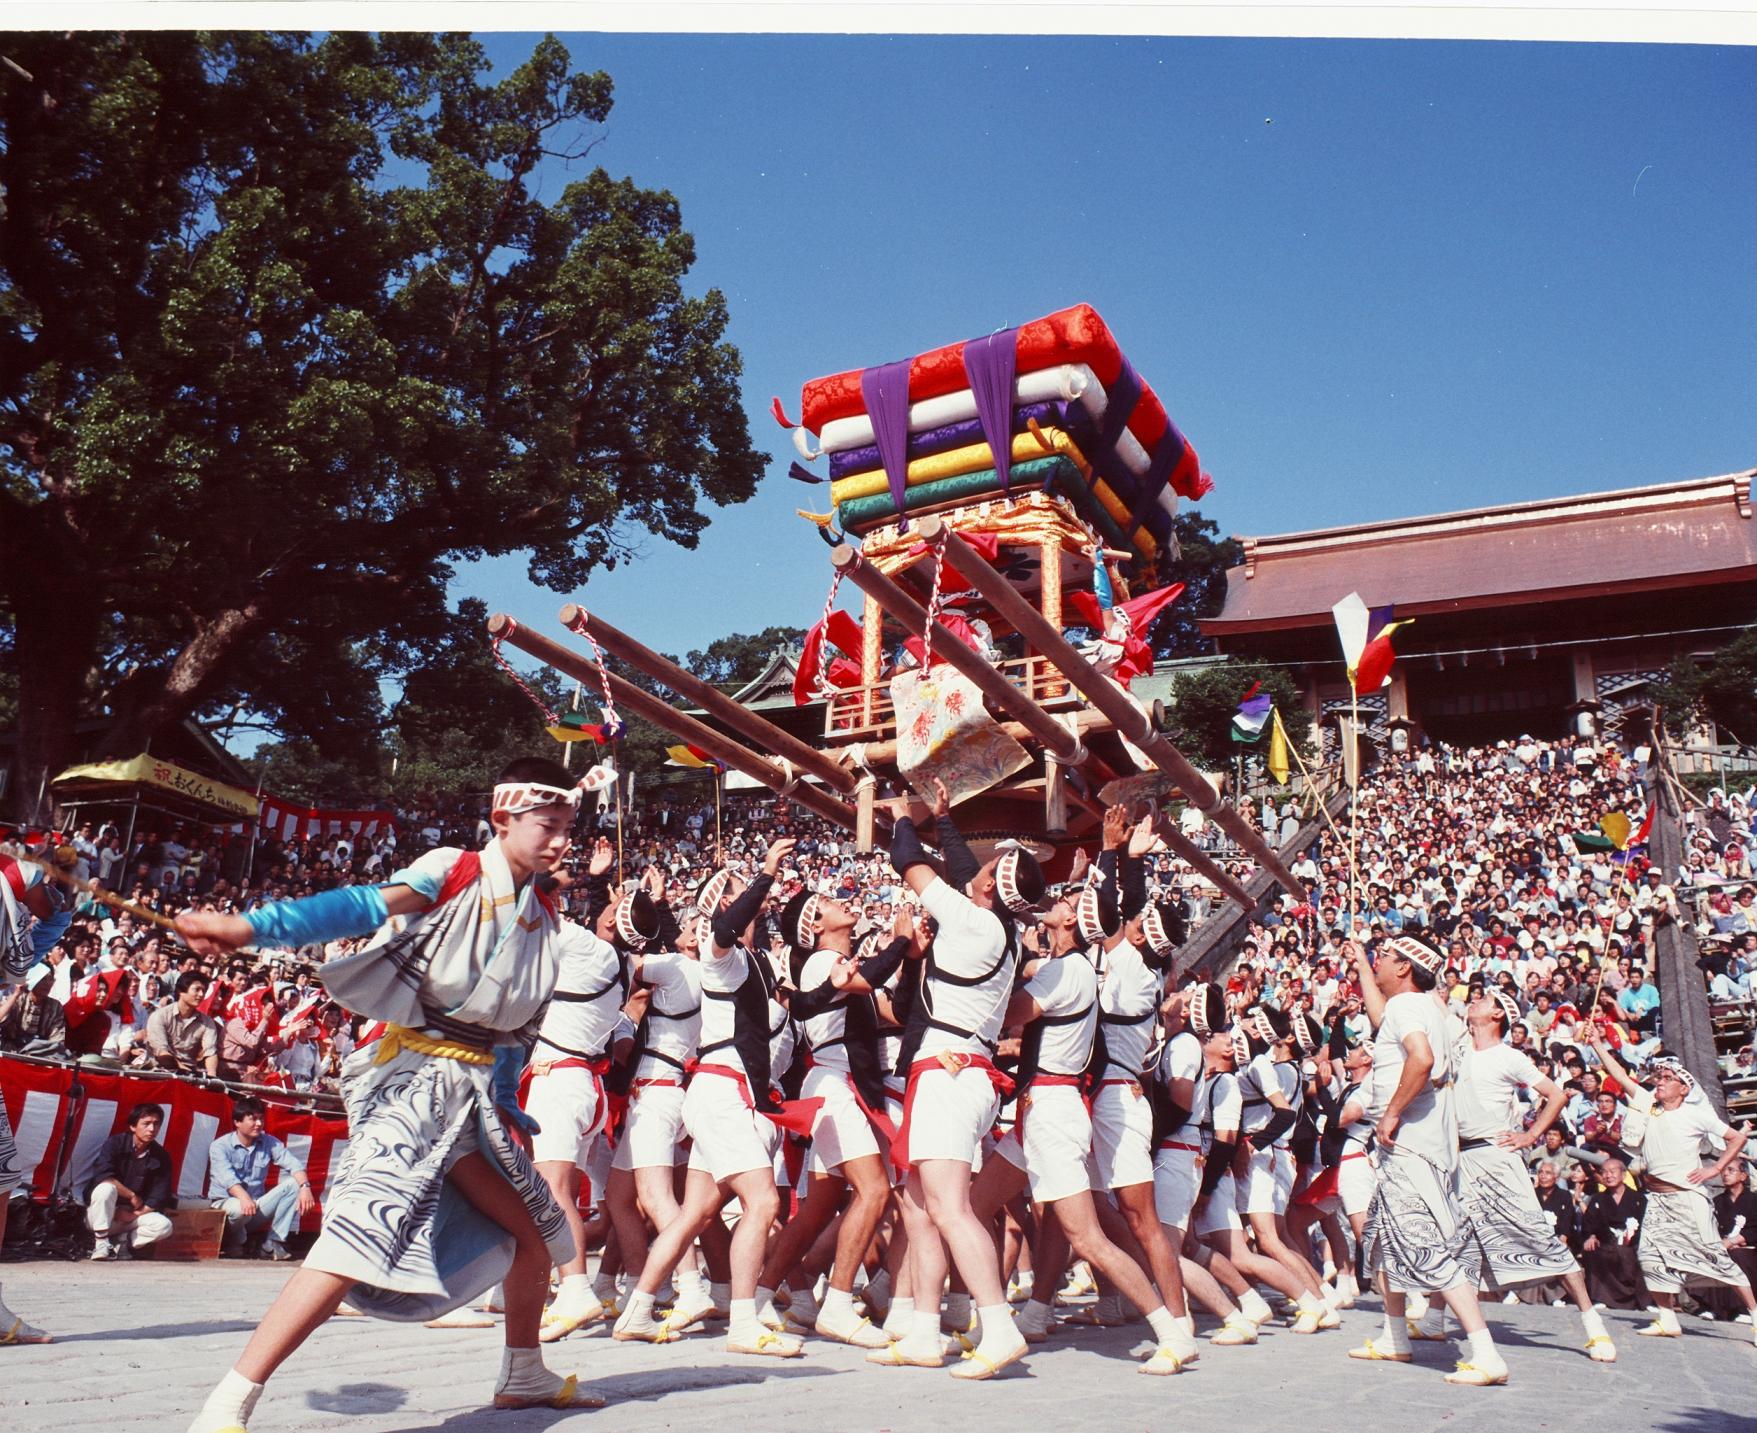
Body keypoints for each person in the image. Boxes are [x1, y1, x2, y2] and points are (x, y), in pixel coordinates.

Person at [177, 756, 602, 1432]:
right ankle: (229, 1400)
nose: (559, 842)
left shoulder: (542, 910)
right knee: (355, 1238)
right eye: (547, 826)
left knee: (536, 1229)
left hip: (467, 1096)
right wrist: (249, 928)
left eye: (566, 829)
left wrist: (503, 1091)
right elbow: (359, 904)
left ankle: (523, 1370)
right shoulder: (454, 868)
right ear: (502, 818)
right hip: (411, 1083)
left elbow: (510, 1019)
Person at [871, 791, 1041, 1379]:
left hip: (949, 1071)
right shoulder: (1004, 928)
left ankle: (998, 1326)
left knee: (947, 1207)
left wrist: (902, 815)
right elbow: (970, 875)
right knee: (919, 1209)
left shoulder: (973, 919)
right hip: (956, 1068)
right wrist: (944, 817)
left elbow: (907, 862)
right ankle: (923, 1330)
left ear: (991, 889)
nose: (977, 867)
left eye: (989, 867)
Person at [1349, 934, 1509, 1386]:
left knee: (1426, 1246)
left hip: (1410, 1142)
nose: (1377, 965)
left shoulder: (1409, 1007)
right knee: (1382, 1241)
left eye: (1383, 958)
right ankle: (1394, 1336)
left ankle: (1484, 1352)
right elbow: (1386, 1022)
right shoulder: (1424, 1007)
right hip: (1422, 1141)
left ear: (1403, 969)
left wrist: (1392, 1113)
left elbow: (1421, 1059)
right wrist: (1362, 964)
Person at [1448, 989, 1615, 1361]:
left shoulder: (1510, 1056)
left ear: (1496, 1015)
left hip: (1497, 1155)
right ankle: (1430, 1320)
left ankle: (1592, 1324)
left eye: (1484, 1000)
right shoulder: (1458, 1047)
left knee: (1540, 1236)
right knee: (1459, 1241)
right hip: (1462, 1159)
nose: (1474, 1001)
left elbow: (1556, 1095)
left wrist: (1531, 1135)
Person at [1583, 1036, 1757, 1341]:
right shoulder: (1649, 1106)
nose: (1660, 1081)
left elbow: (1736, 1138)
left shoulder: (1696, 1114)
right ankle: (1667, 1318)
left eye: (1667, 1078)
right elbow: (1621, 1077)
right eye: (1658, 1077)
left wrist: (1715, 1168)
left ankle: (1755, 1315)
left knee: (1716, 1257)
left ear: (1683, 1088)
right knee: (1650, 1257)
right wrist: (1598, 1044)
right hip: (1658, 1198)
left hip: (1688, 1197)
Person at [0, 843, 80, 1344]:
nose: (57, 900)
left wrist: (59, 914)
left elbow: (23, 959)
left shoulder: (16, 906)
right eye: (57, 887)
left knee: (2, 1176)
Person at [208, 1096, 319, 1260]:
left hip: (254, 1207)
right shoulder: (219, 1146)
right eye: (253, 1119)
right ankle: (237, 1243)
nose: (259, 1124)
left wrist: (305, 1187)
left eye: (261, 1119)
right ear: (237, 1122)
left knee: (294, 1184)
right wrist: (244, 1198)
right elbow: (228, 1179)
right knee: (239, 1208)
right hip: (227, 1207)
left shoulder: (269, 1142)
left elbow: (294, 1165)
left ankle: (272, 1243)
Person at [80, 1102, 176, 1260]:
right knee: (105, 1189)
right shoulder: (114, 1144)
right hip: (102, 1215)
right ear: (133, 1126)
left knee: (164, 1226)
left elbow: (158, 1196)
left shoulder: (161, 1156)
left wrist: (132, 1215)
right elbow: (104, 1176)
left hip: (131, 1216)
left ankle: (123, 1241)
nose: (152, 1129)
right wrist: (131, 1195)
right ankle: (101, 1243)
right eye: (146, 1124)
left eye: (156, 1124)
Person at [1578, 1156, 1647, 1307]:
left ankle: (1644, 1300)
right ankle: (1602, 1298)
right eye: (1604, 1172)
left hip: (1633, 1244)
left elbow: (1645, 1225)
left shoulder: (1639, 1199)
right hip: (1606, 1243)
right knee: (1594, 1251)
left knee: (1639, 1254)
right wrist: (1591, 1236)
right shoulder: (1598, 1199)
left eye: (1612, 1171)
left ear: (1623, 1174)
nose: (1608, 1175)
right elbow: (1589, 1224)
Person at [146, 971, 222, 1076]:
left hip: (190, 1073)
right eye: (197, 989)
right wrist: (184, 1070)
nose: (201, 994)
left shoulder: (208, 1022)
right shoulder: (159, 1016)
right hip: (159, 1069)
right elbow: (161, 1053)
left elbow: (210, 1053)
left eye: (204, 991)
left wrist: (211, 1075)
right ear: (181, 991)